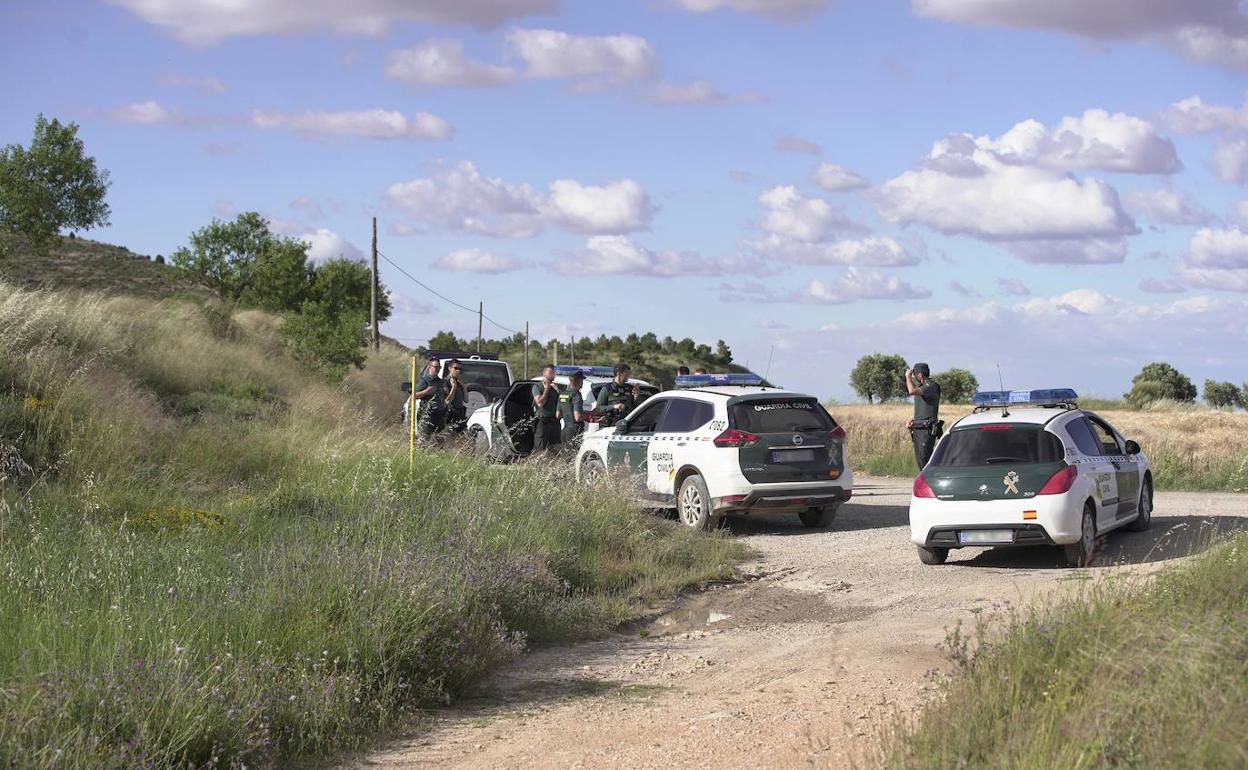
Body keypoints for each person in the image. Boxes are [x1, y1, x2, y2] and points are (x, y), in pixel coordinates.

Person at [905, 362, 942, 469]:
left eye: (914, 374)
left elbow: (911, 391)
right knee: (921, 459)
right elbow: (924, 408)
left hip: (926, 429)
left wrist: (907, 377)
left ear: (920, 375)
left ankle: (928, 483)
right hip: (919, 427)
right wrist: (913, 420)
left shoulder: (931, 386)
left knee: (925, 459)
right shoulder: (923, 388)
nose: (914, 377)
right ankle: (925, 481)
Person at [411, 356, 447, 442]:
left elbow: (445, 397)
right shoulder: (425, 380)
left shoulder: (441, 381)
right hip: (427, 414)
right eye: (435, 367)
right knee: (425, 439)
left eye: (439, 367)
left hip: (439, 414)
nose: (437, 369)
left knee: (439, 440)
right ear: (430, 367)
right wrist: (426, 392)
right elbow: (413, 396)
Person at [530, 364, 562, 456]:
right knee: (540, 449)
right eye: (550, 373)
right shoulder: (537, 387)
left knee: (556, 447)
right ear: (544, 374)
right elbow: (540, 403)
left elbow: (561, 403)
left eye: (553, 373)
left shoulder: (556, 387)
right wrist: (547, 388)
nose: (553, 375)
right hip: (542, 421)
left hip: (554, 421)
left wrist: (558, 391)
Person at [559, 369, 587, 453]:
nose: (582, 383)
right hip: (575, 430)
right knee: (574, 456)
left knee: (565, 456)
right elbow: (578, 417)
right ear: (578, 381)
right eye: (582, 380)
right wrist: (589, 416)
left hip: (565, 430)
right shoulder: (576, 395)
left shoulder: (562, 394)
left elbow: (558, 415)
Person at [443, 358, 468, 436]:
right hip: (450, 414)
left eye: (460, 369)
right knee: (449, 437)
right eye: (456, 368)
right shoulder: (445, 382)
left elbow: (466, 400)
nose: (458, 371)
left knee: (462, 437)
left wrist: (464, 388)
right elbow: (447, 401)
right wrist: (453, 387)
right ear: (450, 368)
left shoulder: (459, 382)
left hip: (460, 413)